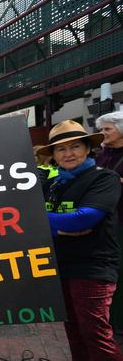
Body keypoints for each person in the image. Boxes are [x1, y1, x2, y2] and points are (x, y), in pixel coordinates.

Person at [37, 119, 122, 360]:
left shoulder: (105, 178)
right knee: (72, 332)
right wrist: (57, 226)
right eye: (61, 149)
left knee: (95, 335)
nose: (68, 154)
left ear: (87, 148)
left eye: (75, 146)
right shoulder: (53, 183)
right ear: (53, 155)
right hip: (60, 267)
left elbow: (84, 219)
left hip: (92, 268)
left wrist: (40, 219)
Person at [95, 111, 123, 333]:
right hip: (106, 220)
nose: (103, 133)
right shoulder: (102, 154)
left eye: (107, 129)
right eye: (102, 129)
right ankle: (112, 318)